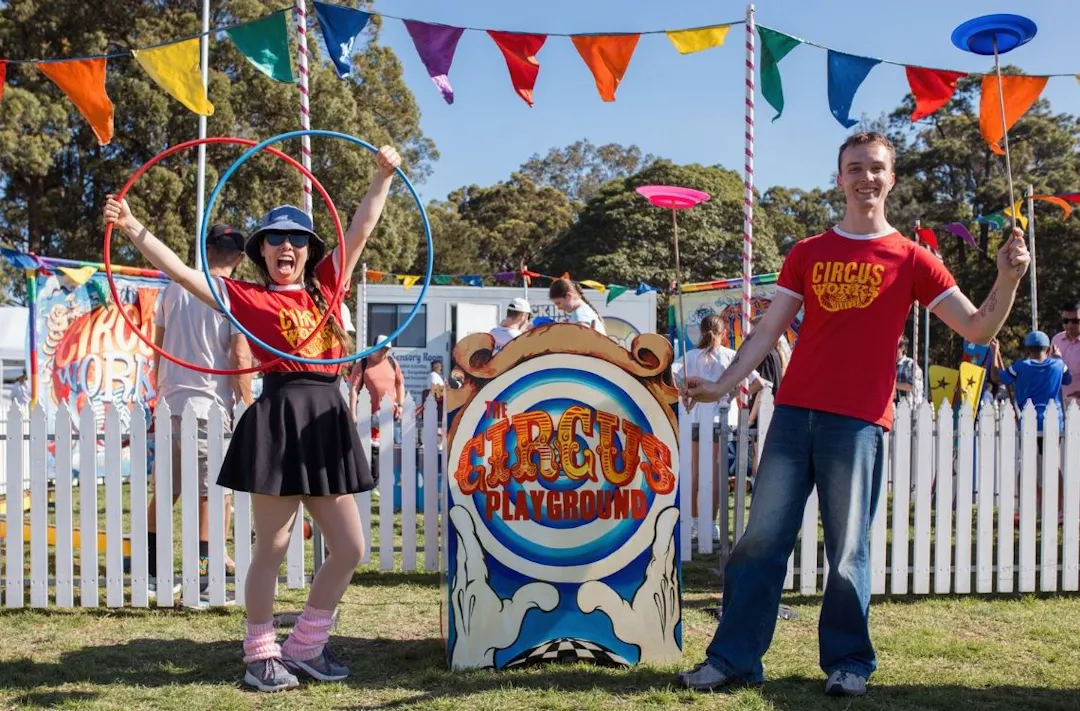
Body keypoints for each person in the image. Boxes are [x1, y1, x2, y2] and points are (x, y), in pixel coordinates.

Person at [677, 131, 1029, 697]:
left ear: (892, 178)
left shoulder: (913, 258)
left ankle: (849, 664)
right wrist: (721, 384)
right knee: (759, 543)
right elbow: (765, 333)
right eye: (856, 167)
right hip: (793, 417)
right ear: (839, 178)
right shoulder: (807, 252)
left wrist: (1008, 278)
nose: (866, 176)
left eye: (876, 167)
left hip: (859, 422)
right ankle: (732, 659)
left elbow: (978, 327)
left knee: (847, 551)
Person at [103, 144, 401, 693]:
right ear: (261, 250)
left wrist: (382, 175)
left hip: (326, 420)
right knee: (274, 547)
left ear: (309, 250)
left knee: (350, 547)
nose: (287, 246)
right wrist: (132, 226)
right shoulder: (247, 298)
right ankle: (260, 654)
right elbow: (183, 273)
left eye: (297, 239)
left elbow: (361, 227)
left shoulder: (328, 286)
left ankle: (305, 646)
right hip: (282, 417)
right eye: (275, 238)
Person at [148, 223, 253, 600]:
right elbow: (240, 357)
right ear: (240, 258)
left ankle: (150, 571)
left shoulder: (172, 290)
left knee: (166, 492)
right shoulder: (233, 295)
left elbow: (158, 349)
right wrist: (247, 405)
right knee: (212, 494)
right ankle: (206, 578)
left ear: (206, 252)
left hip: (170, 403)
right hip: (208, 406)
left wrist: (159, 393)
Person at [672, 314, 765, 539]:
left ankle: (693, 522)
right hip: (719, 421)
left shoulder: (689, 356)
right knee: (713, 475)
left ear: (700, 332)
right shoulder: (731, 356)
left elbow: (673, 375)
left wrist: (685, 390)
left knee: (694, 472)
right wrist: (731, 394)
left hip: (693, 418)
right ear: (724, 333)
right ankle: (710, 524)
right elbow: (758, 382)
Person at [1051, 300, 1080, 407]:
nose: (1070, 325)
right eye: (1066, 321)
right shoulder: (1056, 340)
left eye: (1075, 321)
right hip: (1058, 405)